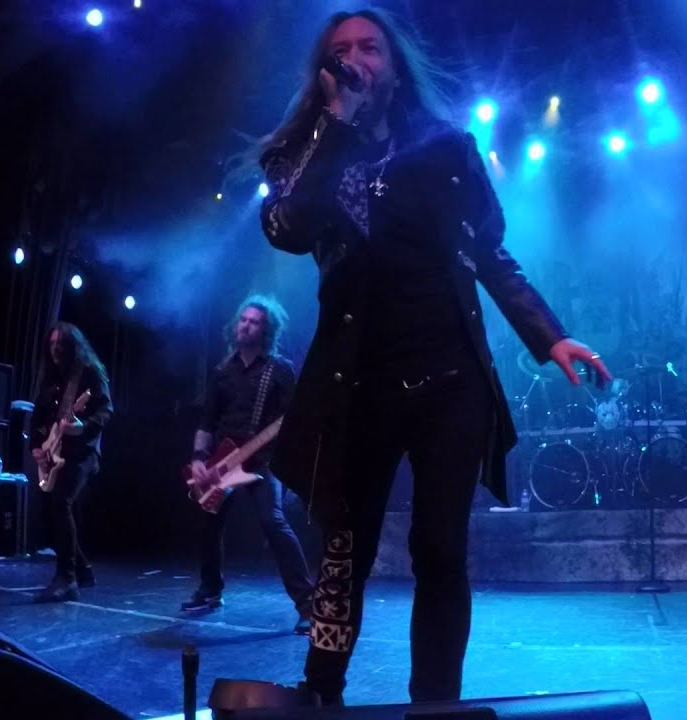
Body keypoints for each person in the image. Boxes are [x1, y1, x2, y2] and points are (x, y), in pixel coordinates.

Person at [255, 9, 611, 704]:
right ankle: (321, 690)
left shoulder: (447, 148)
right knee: (344, 546)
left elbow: (488, 252)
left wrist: (549, 333)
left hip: (449, 379)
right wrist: (335, 124)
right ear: (324, 71)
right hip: (356, 383)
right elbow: (287, 229)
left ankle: (436, 704)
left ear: (395, 64)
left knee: (440, 549)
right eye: (341, 50)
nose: (356, 59)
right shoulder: (299, 151)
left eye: (370, 47)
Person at [183, 295, 314, 635]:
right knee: (206, 519)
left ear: (266, 330)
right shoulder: (222, 372)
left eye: (255, 322)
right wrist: (199, 459)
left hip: (263, 461)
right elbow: (207, 421)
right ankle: (210, 589)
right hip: (223, 462)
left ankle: (308, 604)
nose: (246, 325)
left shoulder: (279, 370)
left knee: (273, 522)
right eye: (243, 319)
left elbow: (294, 418)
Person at [30, 322, 113, 603]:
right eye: (52, 344)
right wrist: (36, 446)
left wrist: (82, 427)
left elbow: (106, 410)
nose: (55, 350)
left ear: (72, 346)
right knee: (50, 511)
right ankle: (83, 569)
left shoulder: (89, 372)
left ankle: (67, 579)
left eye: (61, 344)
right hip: (54, 452)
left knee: (61, 502)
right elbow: (38, 416)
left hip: (82, 453)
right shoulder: (51, 377)